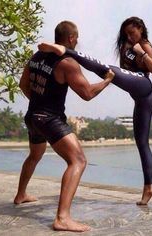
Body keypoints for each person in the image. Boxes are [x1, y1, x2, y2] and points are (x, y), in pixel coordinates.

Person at [38, 17, 152, 205]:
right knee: (142, 143)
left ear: (141, 29)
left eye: (132, 32)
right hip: (140, 99)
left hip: (144, 86)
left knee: (106, 68)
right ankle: (149, 187)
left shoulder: (144, 44)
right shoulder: (125, 46)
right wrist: (111, 78)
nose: (129, 36)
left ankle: (67, 52)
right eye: (126, 33)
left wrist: (142, 54)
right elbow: (122, 72)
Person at [14, 21, 114, 232]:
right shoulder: (67, 62)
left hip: (33, 117)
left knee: (34, 155)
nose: (77, 42)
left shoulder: (36, 57)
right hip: (49, 119)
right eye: (76, 39)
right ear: (71, 39)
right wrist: (107, 81)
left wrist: (38, 103)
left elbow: (23, 84)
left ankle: (21, 195)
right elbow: (87, 93)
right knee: (78, 160)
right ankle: (62, 218)